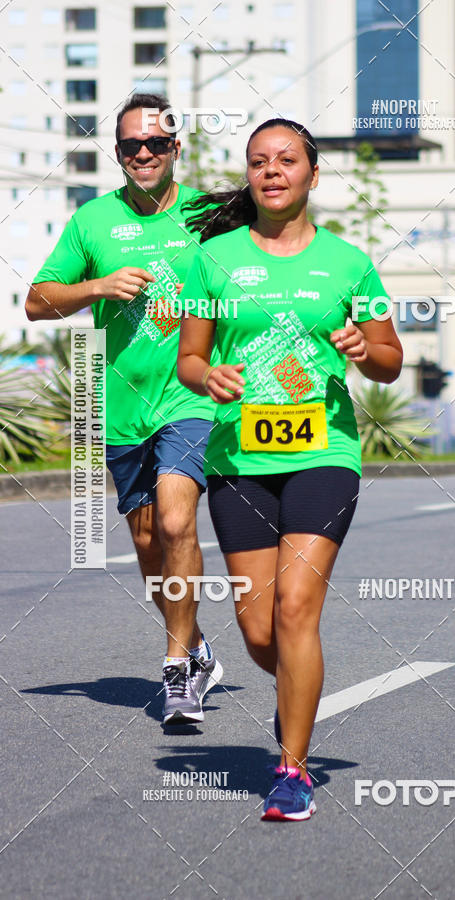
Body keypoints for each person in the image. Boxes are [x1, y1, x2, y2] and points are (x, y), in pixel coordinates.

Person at [177, 118, 403, 820]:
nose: (272, 171)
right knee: (260, 633)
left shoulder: (349, 262)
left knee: (298, 610)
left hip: (323, 456)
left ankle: (293, 769)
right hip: (238, 461)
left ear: (311, 173)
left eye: (286, 160)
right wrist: (206, 376)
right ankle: (298, 691)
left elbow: (393, 361)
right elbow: (189, 359)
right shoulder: (211, 261)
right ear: (249, 176)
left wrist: (366, 346)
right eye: (258, 162)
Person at [25, 93, 222, 726]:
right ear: (117, 153)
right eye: (131, 145)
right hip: (118, 408)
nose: (143, 153)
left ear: (175, 149)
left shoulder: (209, 214)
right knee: (144, 541)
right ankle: (194, 647)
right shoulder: (92, 222)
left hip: (188, 396)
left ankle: (177, 677)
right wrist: (97, 287)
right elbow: (36, 302)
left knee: (173, 523)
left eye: (156, 144)